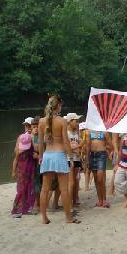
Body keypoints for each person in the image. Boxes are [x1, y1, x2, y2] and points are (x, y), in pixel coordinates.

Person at [37, 94, 79, 224]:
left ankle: (44, 217)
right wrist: (70, 157)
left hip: (48, 155)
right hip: (59, 155)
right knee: (64, 189)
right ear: (59, 106)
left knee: (45, 189)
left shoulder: (41, 121)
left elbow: (40, 143)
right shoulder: (62, 121)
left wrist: (40, 157)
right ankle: (68, 217)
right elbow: (66, 142)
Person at [10, 118, 36, 218]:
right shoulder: (22, 138)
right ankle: (17, 209)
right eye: (26, 126)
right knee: (21, 189)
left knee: (30, 188)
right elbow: (16, 155)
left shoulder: (32, 138)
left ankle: (27, 208)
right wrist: (13, 171)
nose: (27, 128)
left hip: (30, 169)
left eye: (29, 125)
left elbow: (35, 152)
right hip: (22, 170)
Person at [85, 127, 114, 208]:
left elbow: (111, 145)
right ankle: (100, 200)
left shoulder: (104, 132)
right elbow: (88, 146)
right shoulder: (89, 132)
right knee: (96, 179)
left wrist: (106, 149)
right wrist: (87, 159)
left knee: (100, 178)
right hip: (92, 155)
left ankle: (104, 199)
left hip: (101, 155)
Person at [65, 113, 83, 209]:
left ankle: (74, 200)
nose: (77, 123)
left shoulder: (76, 132)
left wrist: (79, 146)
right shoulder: (65, 133)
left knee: (75, 180)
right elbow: (65, 147)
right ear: (70, 121)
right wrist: (76, 147)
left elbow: (81, 141)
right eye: (76, 121)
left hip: (76, 158)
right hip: (68, 158)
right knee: (70, 181)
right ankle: (69, 203)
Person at [114, 130, 127, 208]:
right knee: (117, 181)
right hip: (122, 163)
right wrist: (117, 164)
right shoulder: (123, 136)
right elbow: (120, 151)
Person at [31, 117, 42, 214]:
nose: (35, 128)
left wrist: (38, 155)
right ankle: (36, 203)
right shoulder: (29, 136)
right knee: (35, 184)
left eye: (37, 126)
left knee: (40, 183)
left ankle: (39, 203)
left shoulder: (42, 136)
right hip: (32, 163)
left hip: (41, 161)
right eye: (33, 126)